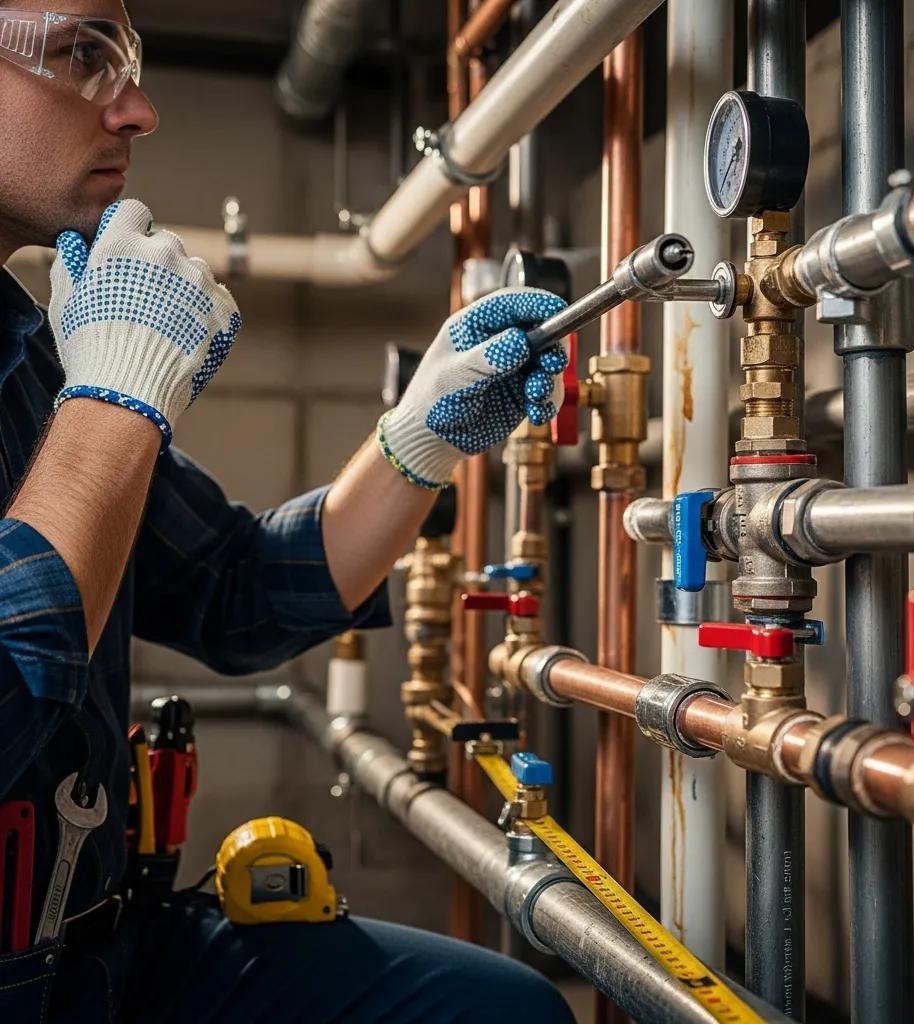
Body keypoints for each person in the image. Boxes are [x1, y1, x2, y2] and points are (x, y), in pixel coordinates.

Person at [0, 3, 574, 1021]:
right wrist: (114, 397)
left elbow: (237, 587)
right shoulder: (75, 376)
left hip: (102, 948)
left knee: (491, 1009)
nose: (137, 110)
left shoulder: (26, 355)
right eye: (84, 56)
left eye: (125, 63)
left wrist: (417, 438)